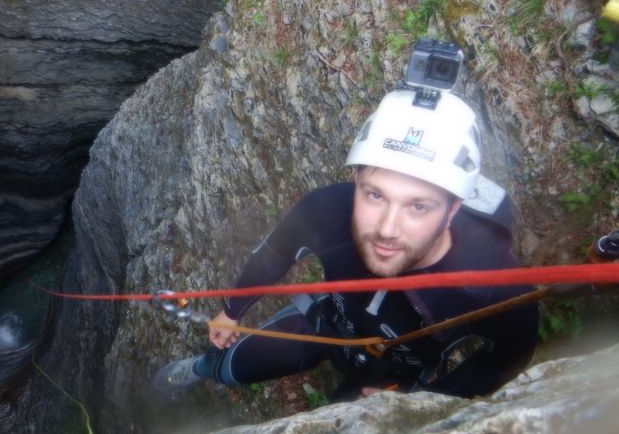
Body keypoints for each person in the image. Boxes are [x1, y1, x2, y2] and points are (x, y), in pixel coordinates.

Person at [153, 86, 539, 400]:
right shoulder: (326, 209)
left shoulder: (491, 284)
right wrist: (232, 311)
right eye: (375, 195)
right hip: (327, 320)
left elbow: (507, 358)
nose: (388, 229)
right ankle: (205, 369)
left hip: (396, 374)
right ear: (356, 179)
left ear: (453, 209)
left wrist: (427, 404)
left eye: (418, 206)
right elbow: (275, 253)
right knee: (233, 367)